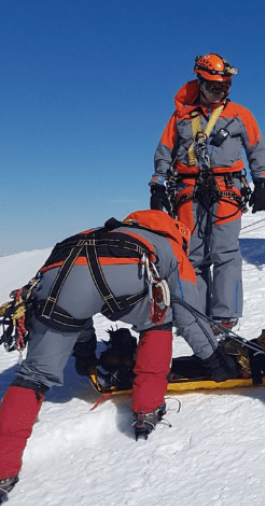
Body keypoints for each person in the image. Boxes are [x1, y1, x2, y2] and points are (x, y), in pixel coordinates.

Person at [0, 210, 239, 502]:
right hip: (126, 271)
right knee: (157, 320)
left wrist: (85, 354)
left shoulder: (104, 231)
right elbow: (187, 315)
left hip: (59, 270)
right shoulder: (172, 246)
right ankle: (146, 410)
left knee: (34, 375)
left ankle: (2, 469)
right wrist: (214, 360)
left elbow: (78, 308)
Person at [149, 53, 265, 333]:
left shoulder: (240, 114)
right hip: (187, 191)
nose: (222, 91)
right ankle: (196, 314)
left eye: (226, 87)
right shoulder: (181, 116)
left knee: (225, 251)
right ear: (200, 83)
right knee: (194, 256)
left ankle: (225, 316)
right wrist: (157, 184)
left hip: (227, 189)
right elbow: (165, 151)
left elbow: (256, 149)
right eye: (216, 87)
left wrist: (261, 182)